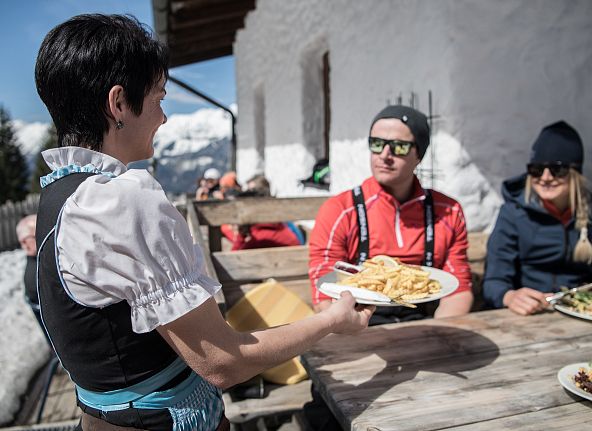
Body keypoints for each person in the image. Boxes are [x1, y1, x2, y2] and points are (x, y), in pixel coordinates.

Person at [34, 14, 373, 431]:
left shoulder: (59, 193)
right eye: (158, 98)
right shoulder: (121, 199)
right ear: (118, 103)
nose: (163, 117)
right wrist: (331, 321)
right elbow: (222, 362)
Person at [309, 105, 474, 320]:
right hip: (355, 321)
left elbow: (457, 285)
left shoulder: (448, 211)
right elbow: (324, 285)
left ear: (419, 155)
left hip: (423, 321)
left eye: (399, 147)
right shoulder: (341, 209)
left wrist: (438, 337)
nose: (385, 155)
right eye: (376, 144)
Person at [483, 121, 592, 315]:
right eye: (537, 169)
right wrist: (510, 297)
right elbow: (494, 282)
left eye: (557, 170)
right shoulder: (513, 213)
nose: (546, 177)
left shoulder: (588, 213)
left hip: (579, 311)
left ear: (575, 173)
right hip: (530, 314)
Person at [221, 175, 305, 250]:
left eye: (252, 192)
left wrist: (241, 234)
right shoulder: (276, 221)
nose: (248, 196)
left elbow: (234, 258)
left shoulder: (259, 235)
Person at [16, 214, 47, 336]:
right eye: (36, 235)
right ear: (24, 243)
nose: (43, 237)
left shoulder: (41, 264)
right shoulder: (35, 276)